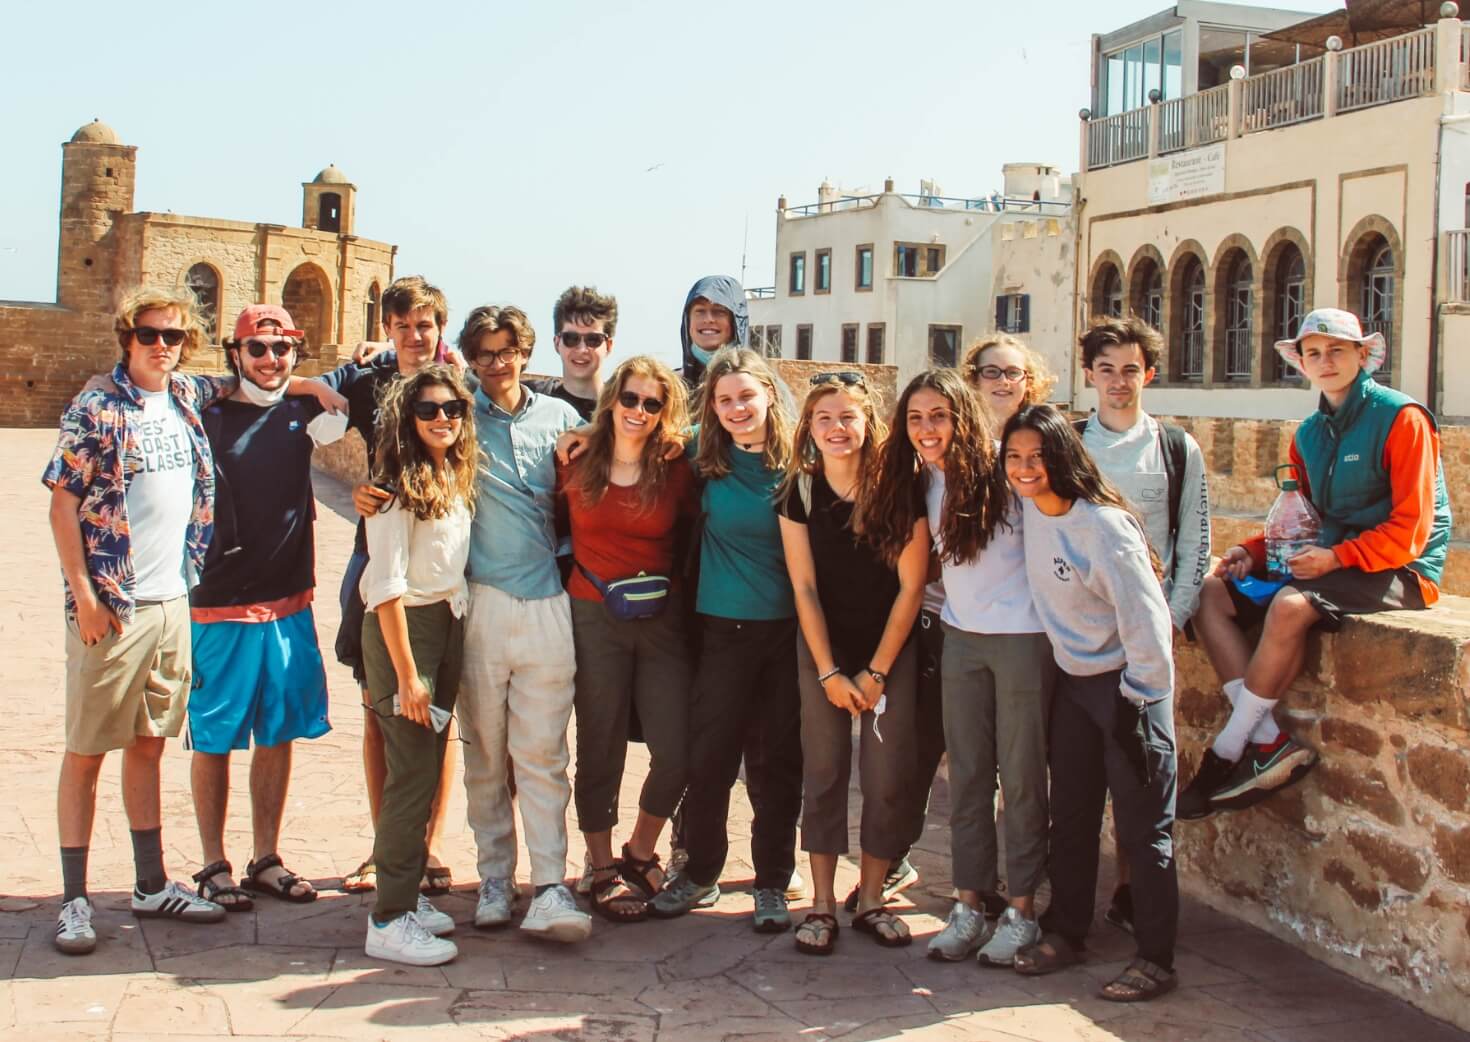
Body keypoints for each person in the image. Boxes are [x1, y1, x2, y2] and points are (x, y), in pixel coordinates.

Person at [44, 287, 341, 954]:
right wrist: (86, 598)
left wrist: (322, 383)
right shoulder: (98, 407)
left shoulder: (184, 397)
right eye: (149, 334)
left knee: (149, 741)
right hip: (115, 604)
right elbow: (62, 506)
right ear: (126, 337)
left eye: (173, 336)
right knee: (88, 749)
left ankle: (151, 883)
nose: (161, 346)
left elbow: (269, 381)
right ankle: (74, 899)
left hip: (174, 599)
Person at [1180, 308, 1451, 819]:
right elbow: (1302, 517)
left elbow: (1412, 528)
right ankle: (1267, 739)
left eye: (1337, 350)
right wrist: (1253, 553)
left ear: (1362, 355)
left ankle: (1226, 753)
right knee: (1209, 592)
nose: (1325, 361)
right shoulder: (1308, 434)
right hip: (1331, 559)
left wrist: (1337, 557)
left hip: (1400, 568)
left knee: (1288, 606)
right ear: (1301, 363)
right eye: (1313, 353)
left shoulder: (1402, 418)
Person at [385, 305, 590, 940]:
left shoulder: (562, 419)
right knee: (483, 755)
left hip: (547, 602)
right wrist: (374, 491)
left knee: (543, 754)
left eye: (507, 351)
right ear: (468, 358)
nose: (496, 364)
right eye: (484, 354)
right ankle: (496, 878)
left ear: (526, 352)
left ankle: (551, 884)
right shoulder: (459, 413)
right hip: (479, 605)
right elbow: (404, 441)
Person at [867, 364, 1055, 966]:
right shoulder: (926, 484)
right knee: (968, 779)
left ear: (961, 417)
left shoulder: (1007, 470)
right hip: (960, 640)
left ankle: (1022, 911)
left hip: (1023, 639)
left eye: (938, 416)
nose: (927, 428)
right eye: (916, 418)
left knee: (1022, 779)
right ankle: (971, 903)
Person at [1002, 404, 1180, 1003]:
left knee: (1143, 829)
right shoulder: (1030, 511)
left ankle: (1156, 958)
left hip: (1127, 690)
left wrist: (1140, 703)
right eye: (1015, 457)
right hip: (1075, 687)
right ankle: (1067, 931)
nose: (1027, 469)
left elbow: (1149, 624)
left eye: (1039, 457)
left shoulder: (1102, 527)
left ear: (1064, 458)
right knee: (1072, 817)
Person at [187, 304, 348, 912]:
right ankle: (212, 863)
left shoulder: (303, 410)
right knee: (213, 737)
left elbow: (343, 403)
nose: (271, 359)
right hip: (218, 603)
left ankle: (266, 858)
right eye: (258, 348)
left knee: (277, 733)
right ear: (235, 353)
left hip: (288, 598)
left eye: (283, 348)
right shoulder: (205, 413)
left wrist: (305, 384)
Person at [649, 348, 804, 932]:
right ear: (711, 407)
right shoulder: (700, 452)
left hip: (785, 633)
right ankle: (700, 872)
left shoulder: (799, 461)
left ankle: (771, 882)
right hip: (719, 630)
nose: (737, 408)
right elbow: (631, 434)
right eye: (724, 399)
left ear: (769, 393)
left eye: (746, 396)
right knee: (709, 760)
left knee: (777, 763)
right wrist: (579, 438)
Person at [778, 372, 928, 955]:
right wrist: (829, 672)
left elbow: (911, 587)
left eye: (848, 417)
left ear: (870, 423)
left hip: (890, 651)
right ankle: (820, 903)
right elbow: (804, 588)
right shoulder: (800, 491)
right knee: (824, 773)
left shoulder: (900, 489)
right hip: (824, 653)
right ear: (809, 429)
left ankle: (870, 899)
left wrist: (878, 671)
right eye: (824, 418)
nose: (837, 428)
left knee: (888, 779)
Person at [321, 275, 461, 894]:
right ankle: (387, 849)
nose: (413, 336)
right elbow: (303, 402)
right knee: (380, 712)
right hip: (375, 557)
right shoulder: (365, 380)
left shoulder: (457, 388)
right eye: (402, 325)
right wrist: (355, 491)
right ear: (387, 328)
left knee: (440, 718)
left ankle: (426, 848)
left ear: (439, 329)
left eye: (424, 324)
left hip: (442, 570)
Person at [1072, 316, 1210, 931]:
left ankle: (1131, 891)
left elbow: (1194, 541)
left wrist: (1172, 623)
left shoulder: (1176, 448)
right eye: (1107, 370)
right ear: (1089, 377)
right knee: (1075, 779)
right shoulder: (1070, 444)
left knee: (1140, 779)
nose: (1119, 382)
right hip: (1077, 641)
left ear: (1148, 373)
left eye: (1130, 370)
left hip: (1143, 643)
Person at [557, 356, 698, 922]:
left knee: (677, 749)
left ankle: (641, 849)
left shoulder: (678, 468)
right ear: (612, 399)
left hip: (661, 618)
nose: (639, 411)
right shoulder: (575, 459)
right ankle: (599, 865)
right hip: (592, 613)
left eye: (653, 403)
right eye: (631, 399)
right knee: (600, 743)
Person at [359, 365, 478, 967]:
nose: (443, 419)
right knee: (409, 776)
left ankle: (401, 896)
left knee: (425, 771)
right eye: (429, 410)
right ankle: (387, 920)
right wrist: (408, 673)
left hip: (446, 625)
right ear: (409, 418)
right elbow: (384, 587)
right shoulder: (392, 490)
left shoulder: (450, 475)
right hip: (408, 632)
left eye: (453, 408)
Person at [525, 286, 616, 422]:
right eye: (571, 338)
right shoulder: (528, 397)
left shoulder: (623, 410)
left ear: (608, 345)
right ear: (556, 343)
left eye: (593, 340)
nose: (581, 349)